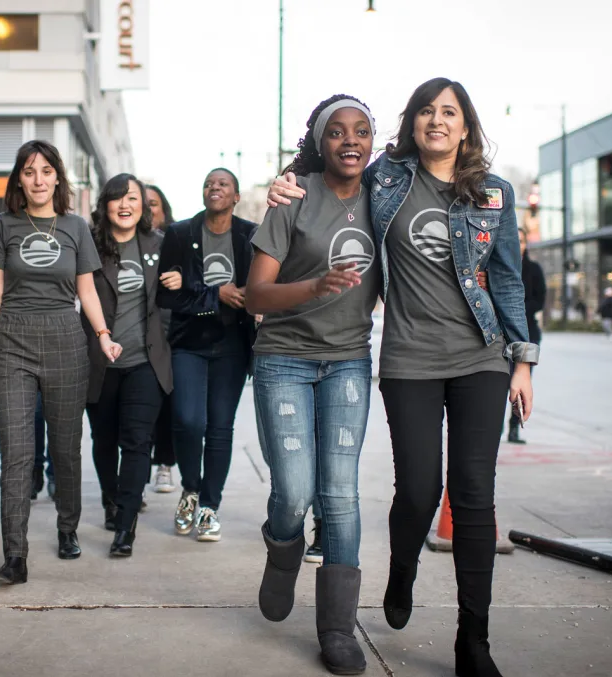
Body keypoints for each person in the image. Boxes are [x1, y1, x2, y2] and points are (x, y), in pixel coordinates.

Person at [270, 78, 537, 677]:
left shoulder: (494, 193)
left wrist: (522, 359)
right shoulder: (386, 177)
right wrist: (285, 180)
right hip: (409, 360)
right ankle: (403, 565)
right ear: (412, 122)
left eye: (449, 112)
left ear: (465, 126)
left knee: (473, 495)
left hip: (482, 357)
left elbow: (510, 278)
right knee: (418, 490)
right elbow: (330, 156)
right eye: (426, 111)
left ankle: (474, 640)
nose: (437, 121)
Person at [248, 95, 380, 675]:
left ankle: (337, 630)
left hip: (349, 360)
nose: (350, 140)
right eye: (337, 132)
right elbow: (255, 295)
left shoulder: (387, 199)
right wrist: (314, 287)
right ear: (320, 141)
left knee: (340, 494)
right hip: (284, 359)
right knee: (295, 493)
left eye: (362, 130)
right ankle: (282, 547)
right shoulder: (294, 197)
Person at [0, 140, 120, 584]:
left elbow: (87, 291)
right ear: (20, 178)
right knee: (16, 453)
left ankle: (67, 526)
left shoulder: (75, 227)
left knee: (65, 447)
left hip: (65, 340)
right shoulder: (3, 225)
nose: (38, 179)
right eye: (30, 171)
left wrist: (104, 336)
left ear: (58, 177)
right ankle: (15, 556)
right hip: (12, 340)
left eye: (46, 171)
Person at [156, 168, 256, 543]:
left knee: (219, 428)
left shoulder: (250, 235)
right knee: (187, 420)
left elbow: (254, 290)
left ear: (236, 196)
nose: (214, 187)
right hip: (189, 343)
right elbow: (167, 295)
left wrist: (197, 289)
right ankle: (190, 490)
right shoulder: (181, 234)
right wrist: (215, 293)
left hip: (232, 345)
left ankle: (210, 507)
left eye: (223, 184)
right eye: (209, 183)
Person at [84, 173, 175, 557]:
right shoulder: (89, 246)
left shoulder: (161, 245)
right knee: (103, 440)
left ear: (144, 206)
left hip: (145, 362)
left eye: (133, 198)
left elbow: (182, 292)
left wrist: (181, 279)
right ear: (105, 205)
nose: (125, 205)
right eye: (117, 198)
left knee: (137, 443)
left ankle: (125, 526)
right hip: (99, 361)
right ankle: (111, 498)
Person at [145, 184, 177, 493]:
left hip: (169, 334)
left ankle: (165, 464)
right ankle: (139, 470)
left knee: (167, 403)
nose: (147, 209)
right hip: (135, 336)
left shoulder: (173, 243)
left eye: (152, 204)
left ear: (163, 210)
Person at [507, 227, 545, 444]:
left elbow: (539, 301)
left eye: (521, 240)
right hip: (499, 335)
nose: (518, 244)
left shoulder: (534, 269)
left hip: (527, 334)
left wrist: (514, 307)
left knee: (521, 383)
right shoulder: (498, 265)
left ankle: (514, 429)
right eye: (515, 239)